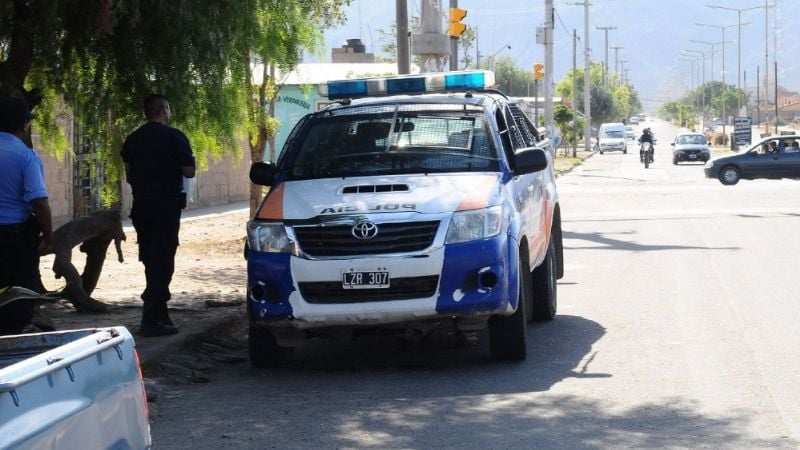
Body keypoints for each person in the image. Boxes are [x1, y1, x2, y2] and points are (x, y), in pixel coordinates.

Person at [122, 94, 195, 337]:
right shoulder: (174, 137)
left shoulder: (133, 139)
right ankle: (152, 315)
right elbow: (189, 170)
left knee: (149, 257)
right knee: (163, 258)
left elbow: (129, 175)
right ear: (164, 110)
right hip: (166, 207)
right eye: (169, 109)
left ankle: (158, 312)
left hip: (142, 206)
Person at [0, 98, 53, 335]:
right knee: (17, 296)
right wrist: (49, 237)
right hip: (14, 238)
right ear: (24, 125)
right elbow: (39, 202)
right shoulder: (25, 156)